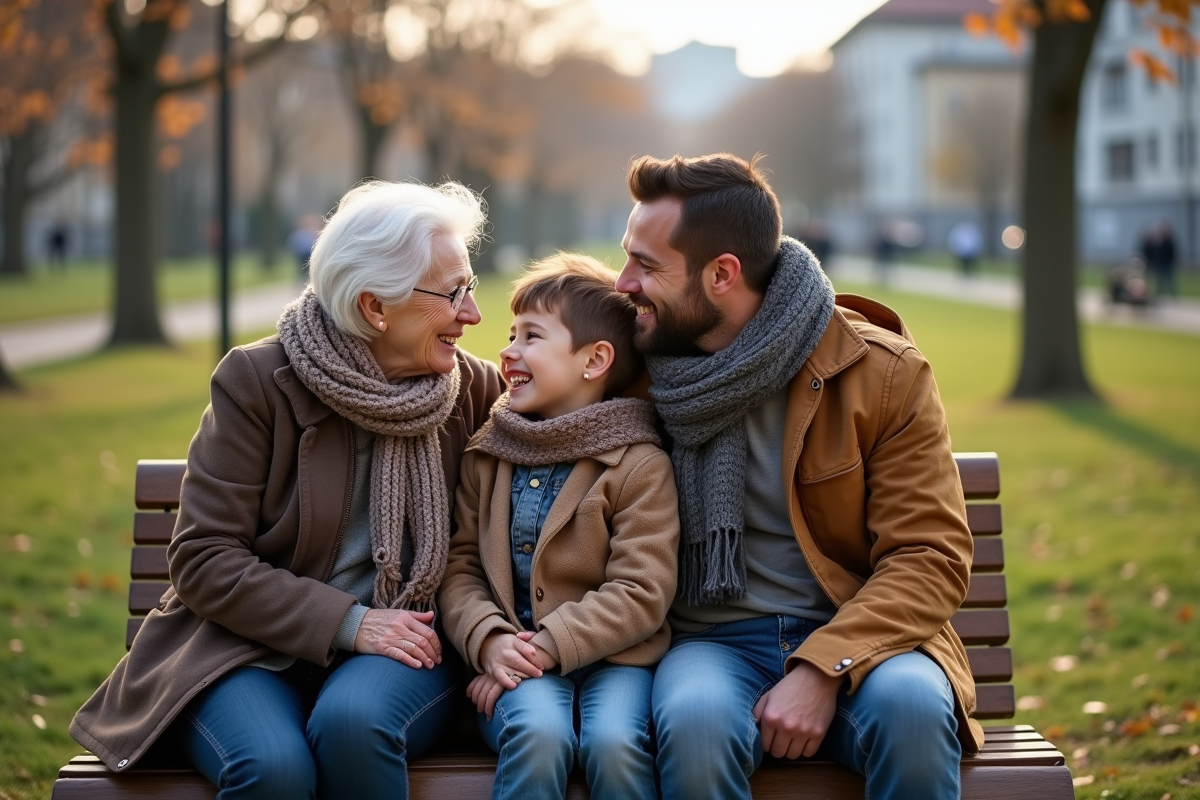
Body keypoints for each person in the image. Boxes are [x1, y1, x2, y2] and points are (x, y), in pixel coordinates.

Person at [70, 180, 505, 800]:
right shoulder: (258, 382)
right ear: (374, 307)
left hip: (405, 649)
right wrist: (349, 622)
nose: (473, 314)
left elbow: (585, 407)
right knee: (272, 769)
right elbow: (203, 558)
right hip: (245, 648)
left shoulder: (475, 391)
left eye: (472, 287)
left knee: (353, 723)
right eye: (454, 292)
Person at [615, 153, 979, 800]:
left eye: (645, 265)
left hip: (862, 634)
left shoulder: (880, 372)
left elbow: (929, 555)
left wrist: (822, 667)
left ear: (722, 274)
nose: (624, 282)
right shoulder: (632, 367)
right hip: (710, 642)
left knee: (915, 711)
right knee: (695, 725)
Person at [438, 254, 680, 800]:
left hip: (617, 665)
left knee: (615, 743)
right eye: (510, 333)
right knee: (538, 733)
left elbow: (642, 590)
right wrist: (491, 641)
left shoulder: (639, 464)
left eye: (532, 336)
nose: (508, 350)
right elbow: (460, 568)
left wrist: (548, 645)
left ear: (594, 360)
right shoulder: (489, 454)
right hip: (516, 664)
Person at [288, 213, 322, 281]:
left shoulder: (313, 232)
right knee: (303, 267)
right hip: (303, 254)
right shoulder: (300, 234)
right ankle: (303, 277)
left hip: (310, 252)